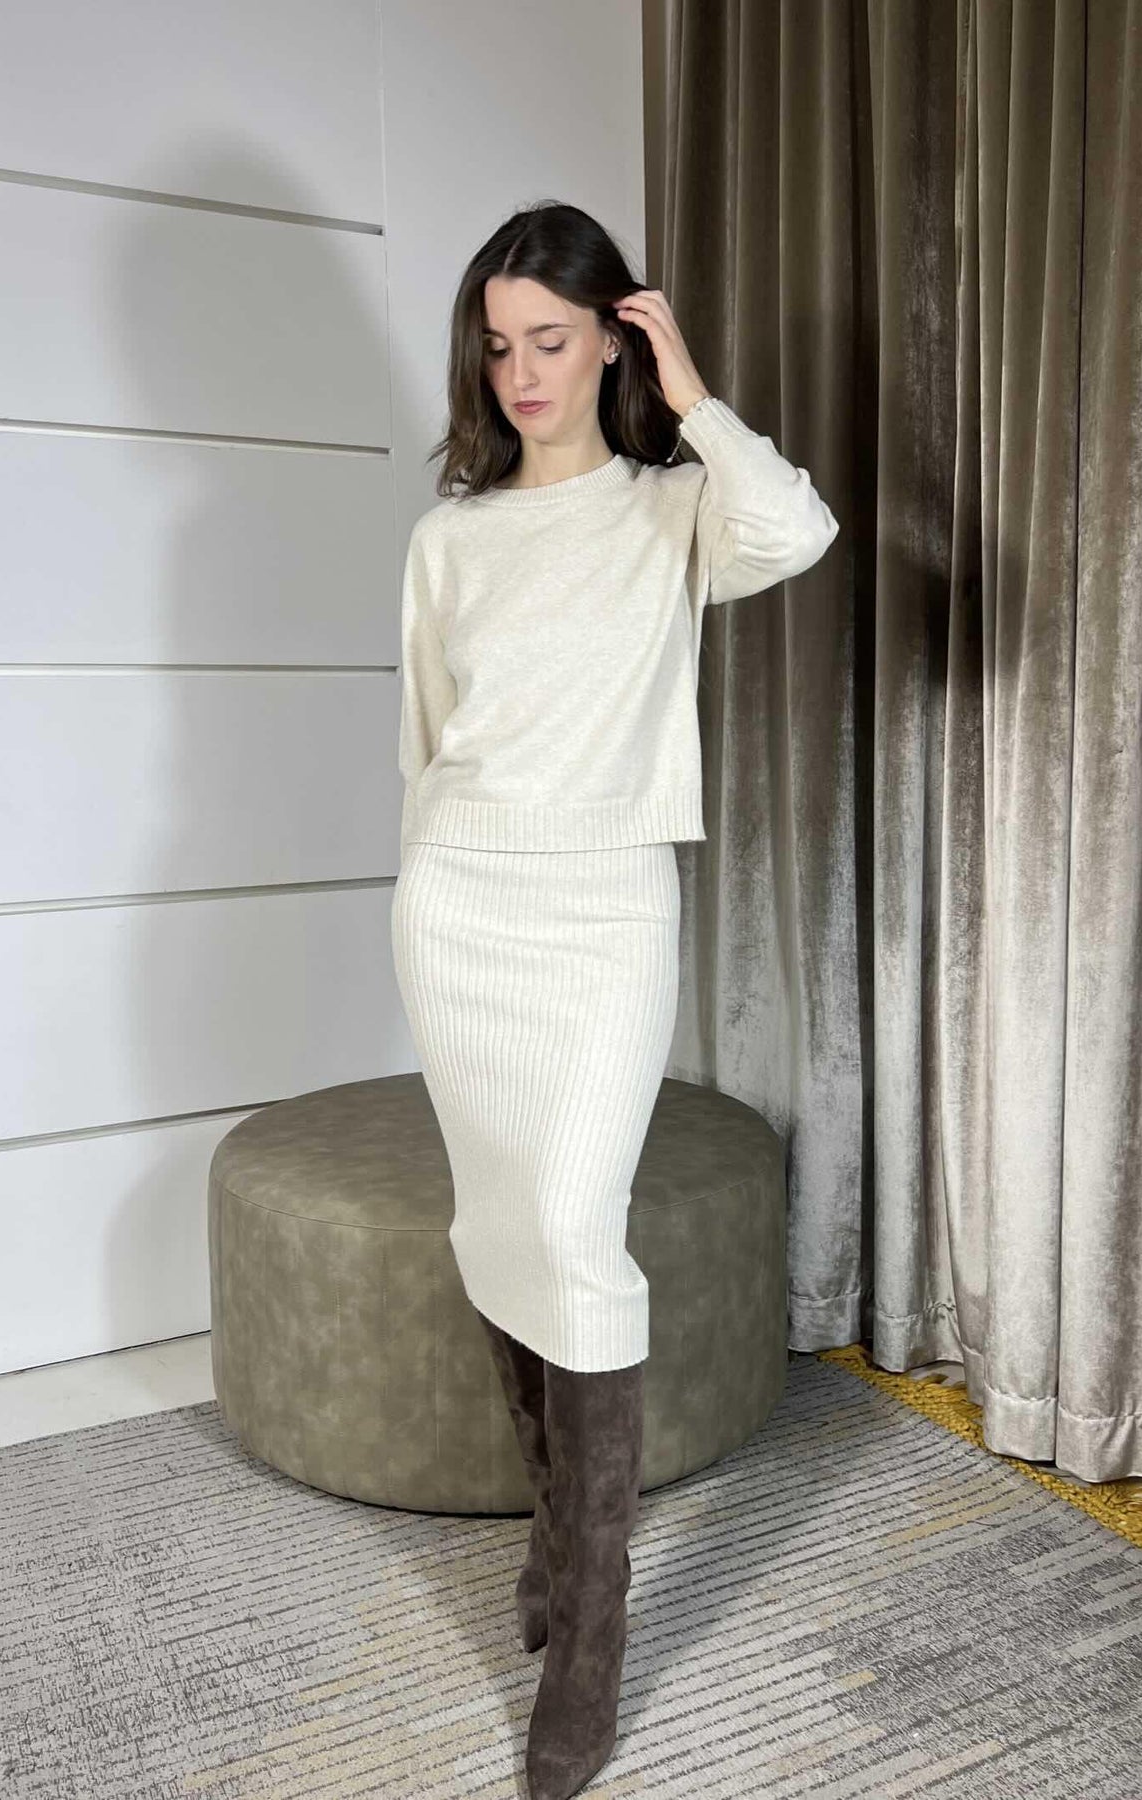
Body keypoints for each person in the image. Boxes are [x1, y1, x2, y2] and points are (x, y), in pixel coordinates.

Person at [390, 200, 839, 1800]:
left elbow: (798, 531)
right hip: (460, 905)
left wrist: (694, 392)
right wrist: (422, 886)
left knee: (574, 1226)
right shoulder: (447, 539)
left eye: (552, 339)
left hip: (603, 911)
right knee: (499, 1222)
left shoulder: (671, 511)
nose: (521, 373)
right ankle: (554, 1543)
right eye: (498, 346)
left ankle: (590, 1636)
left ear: (609, 343)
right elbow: (424, 743)